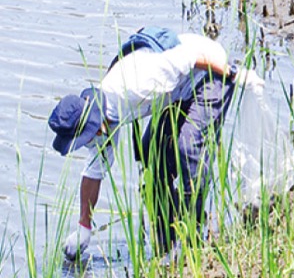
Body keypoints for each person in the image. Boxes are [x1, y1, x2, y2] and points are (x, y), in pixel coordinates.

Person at [48, 27, 258, 259]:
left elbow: (189, 57)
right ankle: (167, 242)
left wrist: (233, 73)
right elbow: (93, 172)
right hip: (177, 91)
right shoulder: (104, 117)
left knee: (188, 147)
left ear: (94, 126)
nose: (87, 143)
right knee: (150, 154)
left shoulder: (135, 86)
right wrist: (84, 227)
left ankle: (193, 238)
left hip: (207, 71)